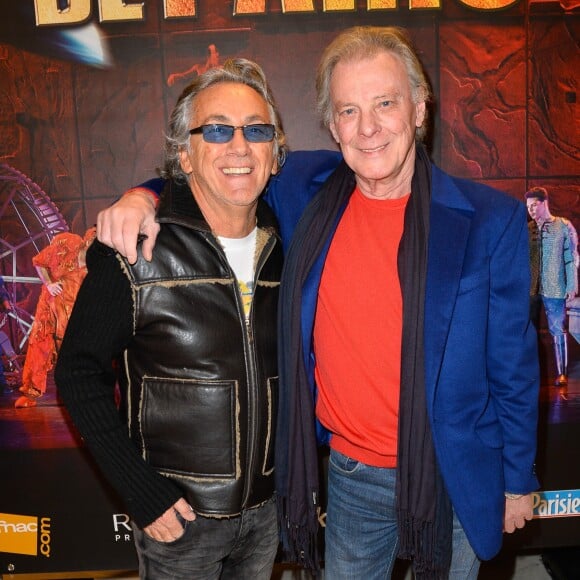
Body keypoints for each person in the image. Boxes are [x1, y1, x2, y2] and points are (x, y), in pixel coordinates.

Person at [96, 27, 540, 579]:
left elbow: (514, 368)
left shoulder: (489, 220)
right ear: (332, 125)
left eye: (385, 103)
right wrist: (142, 194)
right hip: (350, 480)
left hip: (456, 472)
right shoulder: (305, 189)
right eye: (349, 110)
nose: (369, 127)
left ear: (419, 110)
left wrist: (518, 479)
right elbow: (216, 168)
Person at [55, 58, 286, 579]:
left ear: (275, 153)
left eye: (256, 130)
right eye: (218, 129)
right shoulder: (136, 250)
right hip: (181, 522)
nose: (239, 146)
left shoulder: (288, 242)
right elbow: (77, 370)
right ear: (184, 154)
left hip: (267, 514)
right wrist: (142, 493)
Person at [14, 229, 95, 408]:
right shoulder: (67, 243)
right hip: (49, 308)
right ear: (88, 242)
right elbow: (40, 262)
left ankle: (77, 390)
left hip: (70, 313)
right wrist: (49, 283)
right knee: (39, 346)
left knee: (74, 350)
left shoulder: (94, 267)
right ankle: (30, 391)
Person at [525, 186, 578, 387]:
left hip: (555, 286)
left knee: (558, 329)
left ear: (544, 202)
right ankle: (530, 374)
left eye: (534, 205)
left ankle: (562, 373)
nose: (531, 209)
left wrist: (572, 284)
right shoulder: (527, 229)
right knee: (528, 331)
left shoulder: (563, 226)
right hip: (530, 289)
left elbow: (571, 257)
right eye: (528, 206)